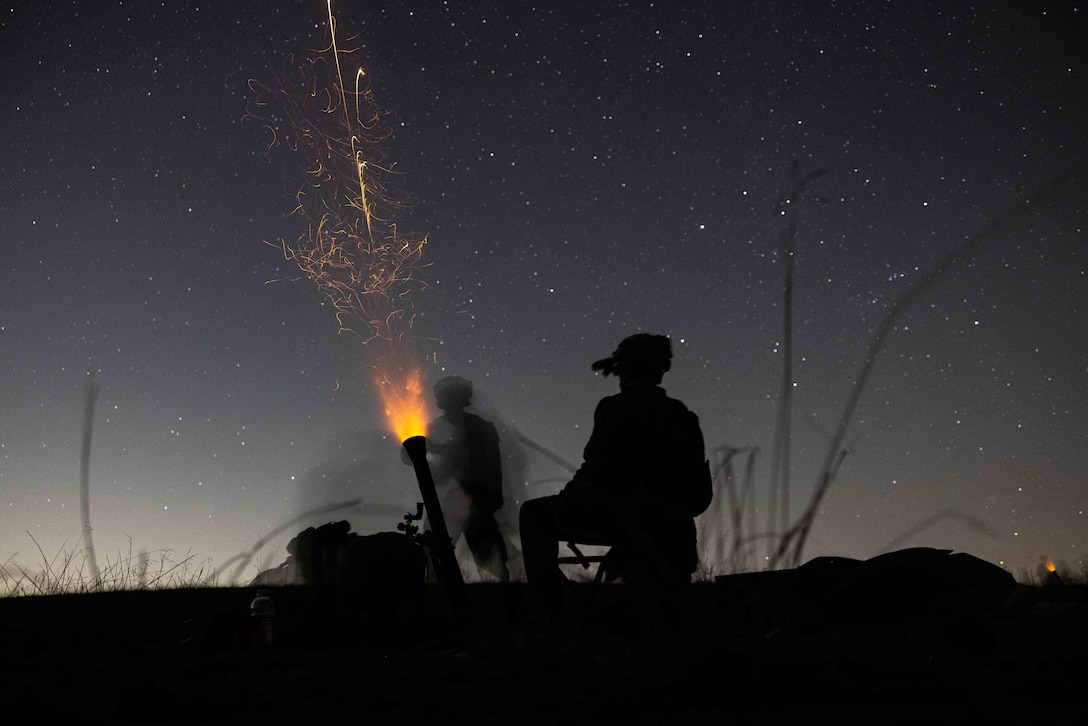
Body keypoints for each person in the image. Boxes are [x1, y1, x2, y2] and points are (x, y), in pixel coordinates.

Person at [518, 333, 709, 622]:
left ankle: (549, 613)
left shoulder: (616, 407)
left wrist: (571, 500)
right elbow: (698, 494)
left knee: (534, 514)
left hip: (630, 521)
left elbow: (598, 469)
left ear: (627, 368)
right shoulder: (685, 416)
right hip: (678, 530)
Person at [425, 375, 510, 580]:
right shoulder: (444, 427)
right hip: (469, 500)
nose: (447, 403)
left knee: (489, 564)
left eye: (451, 397)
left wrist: (432, 450)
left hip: (475, 501)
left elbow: (456, 460)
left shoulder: (478, 427)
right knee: (436, 552)